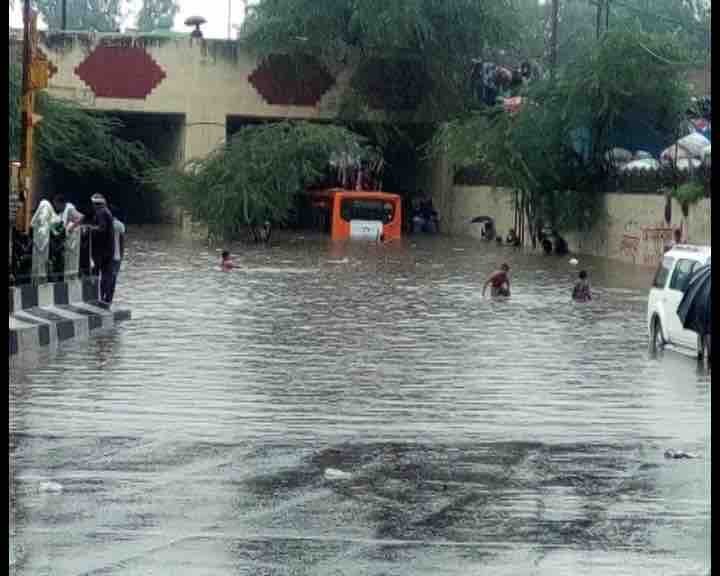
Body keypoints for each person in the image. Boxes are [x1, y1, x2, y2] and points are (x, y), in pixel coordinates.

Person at [89, 194, 115, 305]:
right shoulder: (107, 212)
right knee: (106, 274)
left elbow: (102, 229)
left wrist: (90, 229)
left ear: (95, 204)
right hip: (109, 250)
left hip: (102, 251)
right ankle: (104, 298)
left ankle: (97, 297)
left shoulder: (101, 213)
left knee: (97, 273)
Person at [51, 194, 84, 280]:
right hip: (68, 242)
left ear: (60, 203)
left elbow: (81, 217)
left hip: (73, 242)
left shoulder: (69, 209)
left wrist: (71, 228)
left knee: (71, 264)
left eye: (56, 205)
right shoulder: (62, 212)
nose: (55, 207)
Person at [107, 213, 125, 304]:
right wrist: (122, 256)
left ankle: (104, 298)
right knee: (113, 279)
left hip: (106, 257)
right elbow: (122, 243)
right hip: (116, 257)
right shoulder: (120, 225)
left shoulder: (104, 224)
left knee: (105, 277)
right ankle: (109, 299)